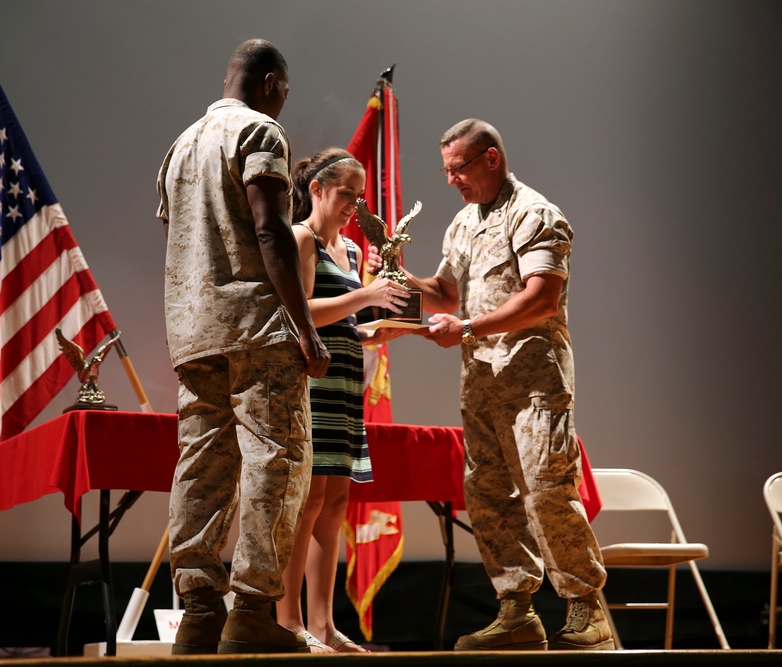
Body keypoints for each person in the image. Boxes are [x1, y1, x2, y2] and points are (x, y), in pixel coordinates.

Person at [372, 119, 613, 651]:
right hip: (481, 381)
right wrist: (398, 277)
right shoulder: (463, 223)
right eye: (446, 171)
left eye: (459, 168)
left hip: (532, 382)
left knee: (547, 490)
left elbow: (541, 299)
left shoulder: (535, 213)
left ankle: (585, 610)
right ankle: (517, 612)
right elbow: (443, 292)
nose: (452, 179)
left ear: (491, 159)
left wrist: (469, 327)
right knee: (488, 494)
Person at [155, 39, 330, 655]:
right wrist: (305, 326)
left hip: (194, 333)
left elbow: (182, 236)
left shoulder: (180, 146)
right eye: (284, 92)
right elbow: (269, 227)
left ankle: (200, 611)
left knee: (201, 468)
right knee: (278, 462)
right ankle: (253, 611)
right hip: (256, 328)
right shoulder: (261, 133)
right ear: (271, 83)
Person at [275, 147, 413, 653]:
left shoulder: (353, 252)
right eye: (346, 194)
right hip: (312, 384)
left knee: (335, 505)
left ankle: (324, 622)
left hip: (346, 385)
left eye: (359, 196)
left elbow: (348, 325)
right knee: (307, 502)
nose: (355, 205)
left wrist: (379, 330)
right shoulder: (300, 238)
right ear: (316, 189)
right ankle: (288, 621)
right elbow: (303, 311)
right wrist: (365, 298)